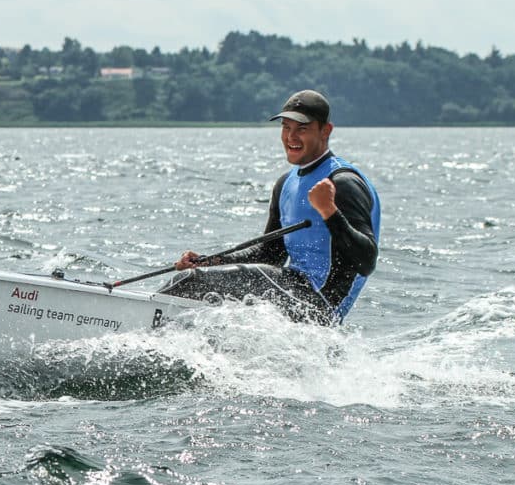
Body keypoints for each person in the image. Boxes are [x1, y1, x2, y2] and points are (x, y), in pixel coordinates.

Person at [160, 89, 381, 324]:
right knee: (205, 293)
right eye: (286, 127)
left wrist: (329, 212)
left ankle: (135, 325)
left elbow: (366, 261)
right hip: (289, 290)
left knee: (191, 282)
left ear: (326, 131)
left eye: (302, 129)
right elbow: (270, 253)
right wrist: (210, 261)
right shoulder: (286, 183)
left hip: (317, 305)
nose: (291, 137)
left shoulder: (343, 183)